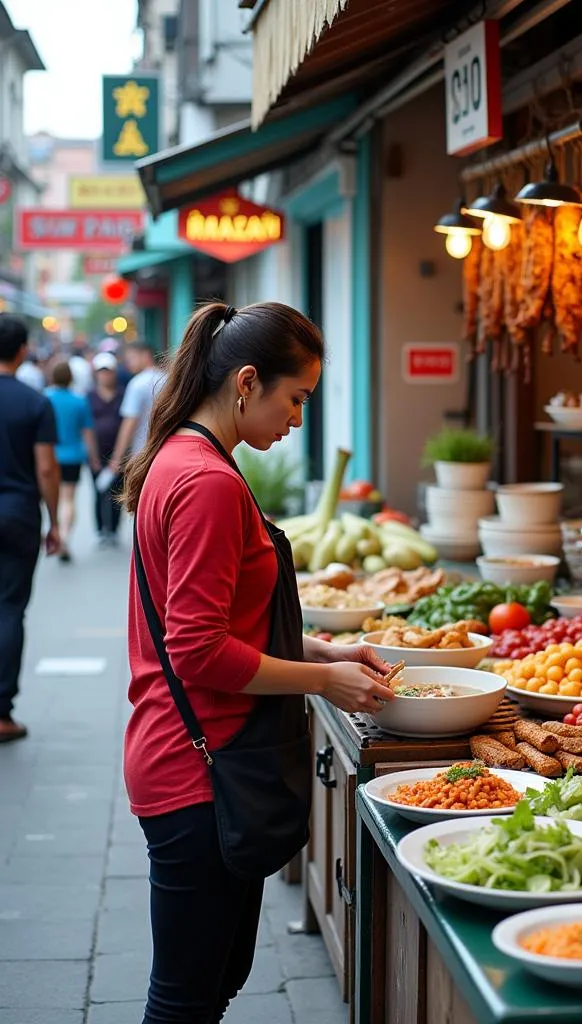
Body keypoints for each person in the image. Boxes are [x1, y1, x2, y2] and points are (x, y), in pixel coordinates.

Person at [120, 301, 396, 1022]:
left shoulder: (183, 455)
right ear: (247, 381)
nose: (298, 418)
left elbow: (225, 625)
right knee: (184, 1000)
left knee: (205, 988)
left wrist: (325, 649)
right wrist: (324, 681)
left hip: (192, 759)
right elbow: (198, 651)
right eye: (295, 398)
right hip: (199, 771)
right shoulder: (208, 482)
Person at [0, 314, 61, 742]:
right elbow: (46, 468)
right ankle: (2, 713)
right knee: (8, 609)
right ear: (23, 351)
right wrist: (55, 522)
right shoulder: (35, 403)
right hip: (18, 515)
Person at [46, 361, 100, 562]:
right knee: (69, 499)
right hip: (73, 456)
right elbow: (87, 433)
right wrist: (93, 458)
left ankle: (56, 531)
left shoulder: (45, 398)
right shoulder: (79, 401)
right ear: (71, 378)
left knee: (54, 499)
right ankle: (65, 537)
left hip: (50, 456)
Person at [107, 340, 165, 476]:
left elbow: (129, 423)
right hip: (166, 451)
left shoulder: (137, 383)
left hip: (142, 454)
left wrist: (117, 457)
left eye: (132, 358)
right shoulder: (169, 378)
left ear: (146, 356)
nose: (129, 363)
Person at [87, 352, 125, 544]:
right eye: (101, 372)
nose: (105, 375)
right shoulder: (89, 395)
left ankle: (114, 529)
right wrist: (91, 456)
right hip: (96, 451)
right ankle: (101, 528)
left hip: (118, 451)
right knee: (98, 489)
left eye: (108, 372)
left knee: (117, 490)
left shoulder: (123, 393)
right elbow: (85, 427)